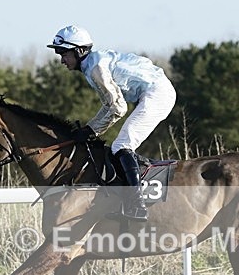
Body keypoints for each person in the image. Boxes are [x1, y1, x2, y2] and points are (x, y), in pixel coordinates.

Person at [47, 25, 176, 221]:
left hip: (157, 94)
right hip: (153, 92)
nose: (61, 60)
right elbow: (110, 105)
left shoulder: (96, 69)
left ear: (79, 51)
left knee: (121, 145)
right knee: (120, 146)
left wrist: (92, 130)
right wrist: (91, 129)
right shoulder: (93, 65)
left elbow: (118, 108)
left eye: (64, 53)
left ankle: (137, 205)